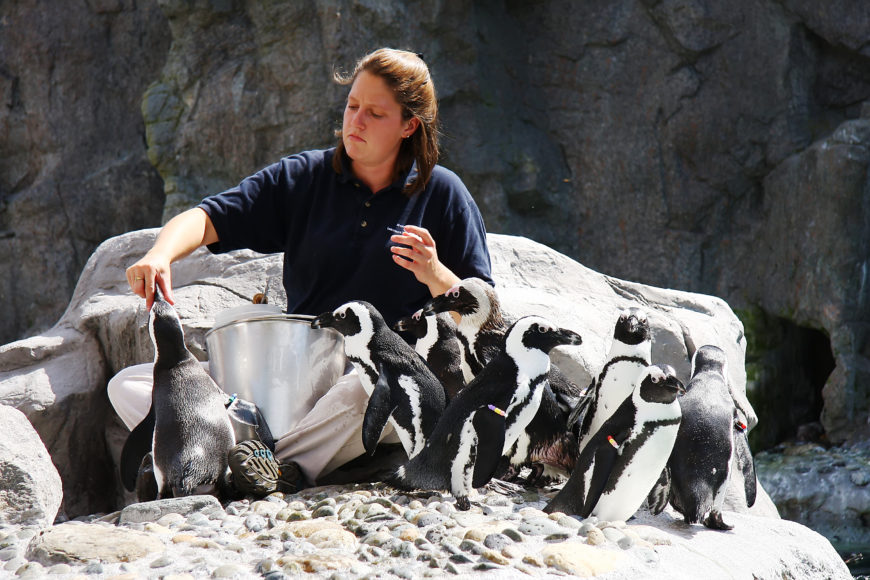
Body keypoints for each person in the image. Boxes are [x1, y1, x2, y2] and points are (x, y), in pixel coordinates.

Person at [108, 48, 494, 493]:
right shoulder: (304, 177)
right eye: (352, 106)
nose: (356, 121)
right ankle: (273, 460)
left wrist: (435, 275)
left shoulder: (443, 194)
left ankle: (259, 464)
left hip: (376, 380)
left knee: (366, 392)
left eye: (375, 113)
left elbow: (484, 318)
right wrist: (160, 254)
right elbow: (207, 218)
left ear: (409, 126)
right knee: (131, 386)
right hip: (289, 375)